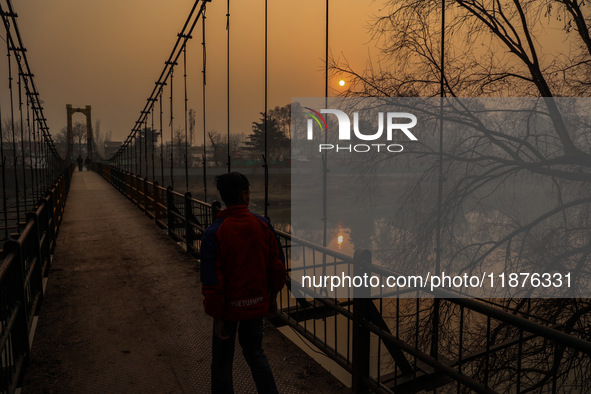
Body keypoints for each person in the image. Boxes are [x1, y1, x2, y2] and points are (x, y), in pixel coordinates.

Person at [200, 172, 286, 394]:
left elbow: (211, 280)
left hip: (228, 310)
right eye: (248, 191)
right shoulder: (263, 225)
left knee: (222, 360)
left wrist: (217, 315)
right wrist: (272, 297)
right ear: (244, 195)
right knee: (255, 353)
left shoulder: (214, 232)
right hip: (256, 304)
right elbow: (277, 267)